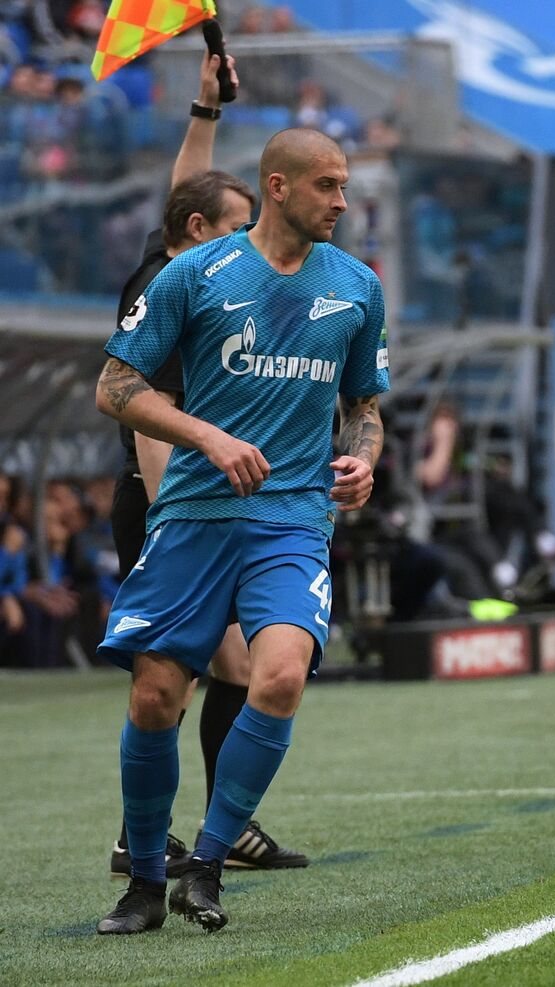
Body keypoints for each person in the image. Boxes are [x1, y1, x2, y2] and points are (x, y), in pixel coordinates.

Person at [92, 126, 390, 934]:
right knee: (157, 696)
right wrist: (209, 436)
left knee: (281, 677)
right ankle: (145, 884)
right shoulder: (196, 274)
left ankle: (209, 866)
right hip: (192, 512)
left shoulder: (358, 287)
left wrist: (362, 459)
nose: (342, 200)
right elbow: (116, 388)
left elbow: (364, 406)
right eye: (328, 185)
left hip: (291, 517)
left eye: (345, 185)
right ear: (279, 187)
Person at [100, 50, 308, 884]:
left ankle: (218, 826)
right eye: (234, 224)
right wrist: (168, 514)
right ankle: (152, 840)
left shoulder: (191, 258)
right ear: (199, 235)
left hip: (214, 498)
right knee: (179, 678)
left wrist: (205, 106)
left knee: (224, 669)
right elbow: (142, 410)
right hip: (172, 501)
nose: (249, 235)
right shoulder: (185, 283)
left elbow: (189, 192)